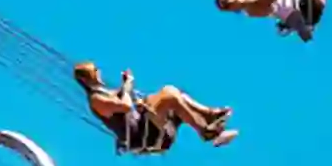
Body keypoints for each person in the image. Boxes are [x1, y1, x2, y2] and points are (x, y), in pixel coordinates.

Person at [74, 62, 236, 152]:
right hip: (145, 136)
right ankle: (205, 132)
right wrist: (128, 86)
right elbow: (125, 106)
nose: (99, 71)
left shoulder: (104, 93)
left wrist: (126, 84)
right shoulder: (96, 99)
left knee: (176, 93)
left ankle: (209, 116)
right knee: (169, 95)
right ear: (89, 78)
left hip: (147, 126)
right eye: (95, 70)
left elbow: (124, 100)